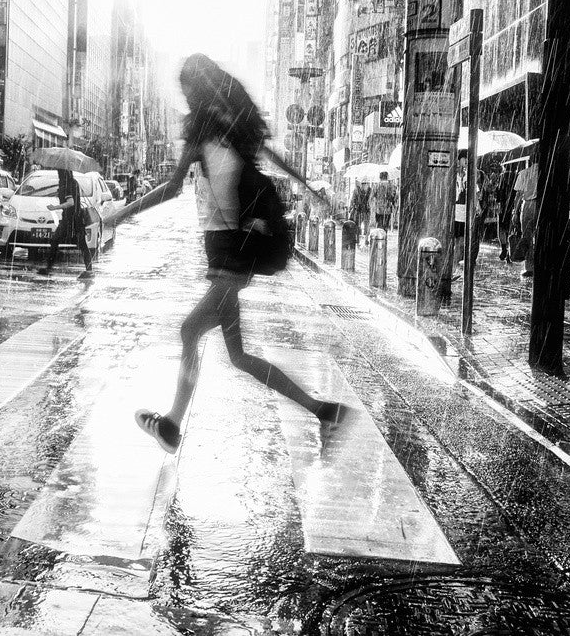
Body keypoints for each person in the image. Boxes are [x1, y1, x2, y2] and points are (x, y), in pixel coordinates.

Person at [107, 53, 347, 455]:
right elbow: (275, 160)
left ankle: (172, 424)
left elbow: (171, 186)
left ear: (193, 90)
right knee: (237, 356)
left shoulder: (202, 125)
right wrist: (313, 190)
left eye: (186, 90)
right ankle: (323, 410)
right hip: (236, 247)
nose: (185, 98)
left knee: (190, 331)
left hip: (228, 250)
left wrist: (123, 212)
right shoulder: (238, 122)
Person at [37, 168, 94, 279]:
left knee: (56, 240)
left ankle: (49, 267)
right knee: (81, 245)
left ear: (63, 173)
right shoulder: (73, 182)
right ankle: (89, 270)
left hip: (70, 219)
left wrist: (55, 207)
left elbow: (70, 202)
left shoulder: (67, 183)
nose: (58, 174)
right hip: (76, 218)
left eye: (60, 172)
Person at [513, 161, 539, 278]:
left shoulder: (524, 173)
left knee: (527, 236)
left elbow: (518, 195)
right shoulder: (545, 173)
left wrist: (515, 212)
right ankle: (540, 264)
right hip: (541, 205)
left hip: (528, 205)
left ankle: (529, 267)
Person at [349, 178, 371, 244]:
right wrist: (351, 207)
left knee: (364, 225)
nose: (365, 185)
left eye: (366, 184)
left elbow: (353, 200)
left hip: (364, 210)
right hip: (360, 210)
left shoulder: (369, 191)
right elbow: (353, 199)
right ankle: (360, 239)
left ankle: (364, 239)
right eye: (364, 184)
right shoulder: (358, 190)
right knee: (359, 225)